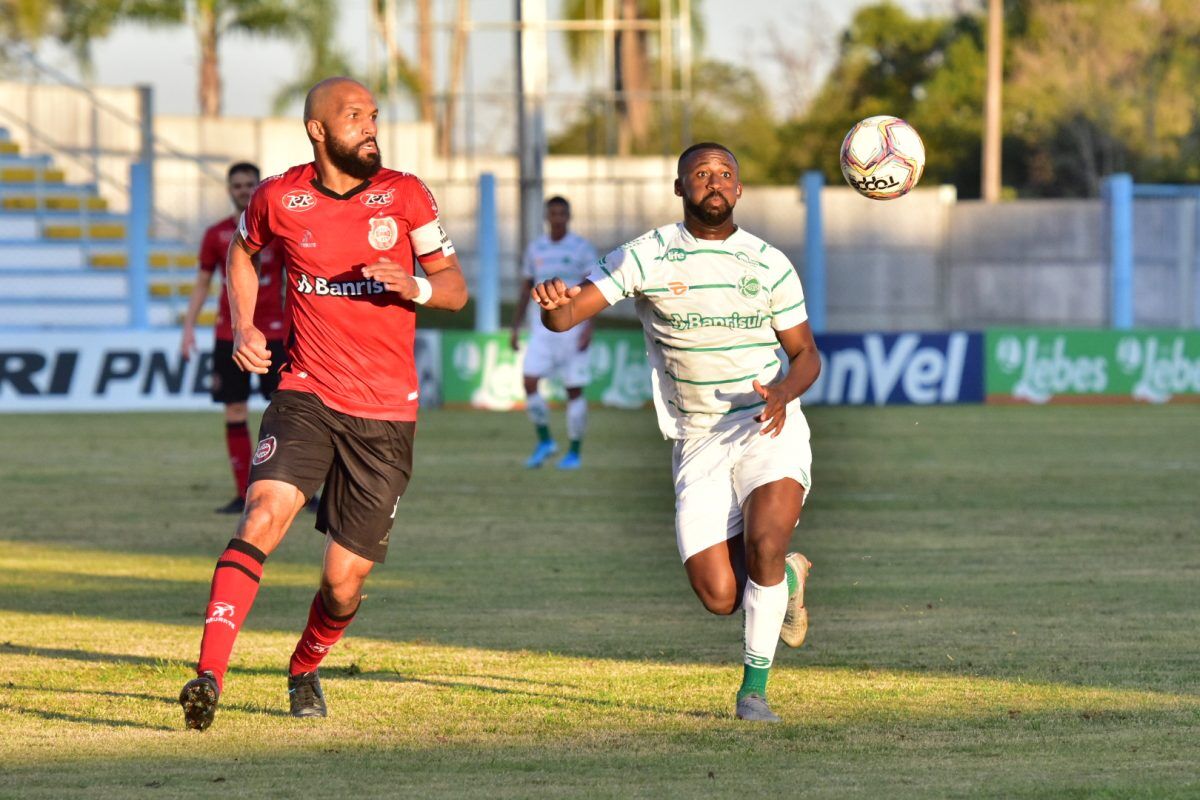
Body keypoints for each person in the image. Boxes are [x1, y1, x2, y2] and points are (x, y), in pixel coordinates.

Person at [178, 77, 467, 731]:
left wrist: (415, 285)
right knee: (262, 514)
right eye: (354, 115)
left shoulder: (407, 193)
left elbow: (454, 289)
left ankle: (304, 666)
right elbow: (242, 253)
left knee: (342, 585)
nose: (369, 124)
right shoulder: (282, 196)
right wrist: (247, 326)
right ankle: (208, 676)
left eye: (373, 114)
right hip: (305, 391)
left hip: (386, 413)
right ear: (318, 129)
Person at [530, 143, 821, 723]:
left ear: (738, 191)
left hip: (768, 425)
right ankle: (784, 576)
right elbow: (566, 316)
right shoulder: (648, 255)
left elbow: (806, 353)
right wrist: (551, 307)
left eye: (726, 174)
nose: (714, 181)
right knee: (719, 596)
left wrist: (785, 393)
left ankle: (753, 692)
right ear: (679, 187)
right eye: (701, 174)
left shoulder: (769, 263)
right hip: (697, 438)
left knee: (765, 538)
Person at [181, 162, 289, 514]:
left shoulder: (279, 230)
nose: (243, 190)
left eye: (249, 184)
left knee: (286, 412)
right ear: (229, 189)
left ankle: (293, 491)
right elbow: (202, 284)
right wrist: (188, 329)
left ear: (259, 188)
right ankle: (244, 494)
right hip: (230, 335)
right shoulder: (216, 235)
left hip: (275, 333)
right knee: (235, 409)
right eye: (237, 185)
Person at [509, 196, 598, 469]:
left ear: (568, 217)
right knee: (529, 382)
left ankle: (574, 451)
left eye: (562, 213)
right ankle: (545, 440)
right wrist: (515, 325)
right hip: (541, 329)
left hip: (574, 328)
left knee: (573, 390)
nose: (557, 218)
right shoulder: (536, 248)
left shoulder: (581, 248)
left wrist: (588, 328)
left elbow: (594, 288)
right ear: (547, 217)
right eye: (553, 213)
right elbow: (527, 288)